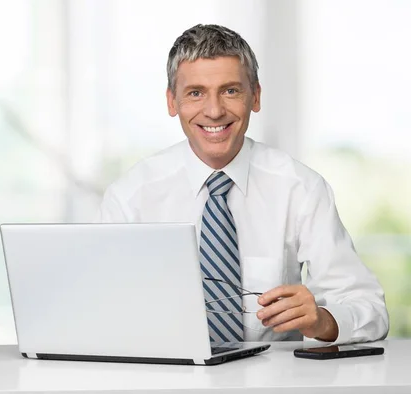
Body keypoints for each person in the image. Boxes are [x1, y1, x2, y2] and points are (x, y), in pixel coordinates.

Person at [95, 24, 388, 344]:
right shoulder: (130, 197)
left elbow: (369, 308)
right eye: (195, 93)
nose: (214, 110)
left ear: (256, 96)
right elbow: (98, 308)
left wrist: (323, 321)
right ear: (172, 102)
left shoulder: (300, 188)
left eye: (230, 90)